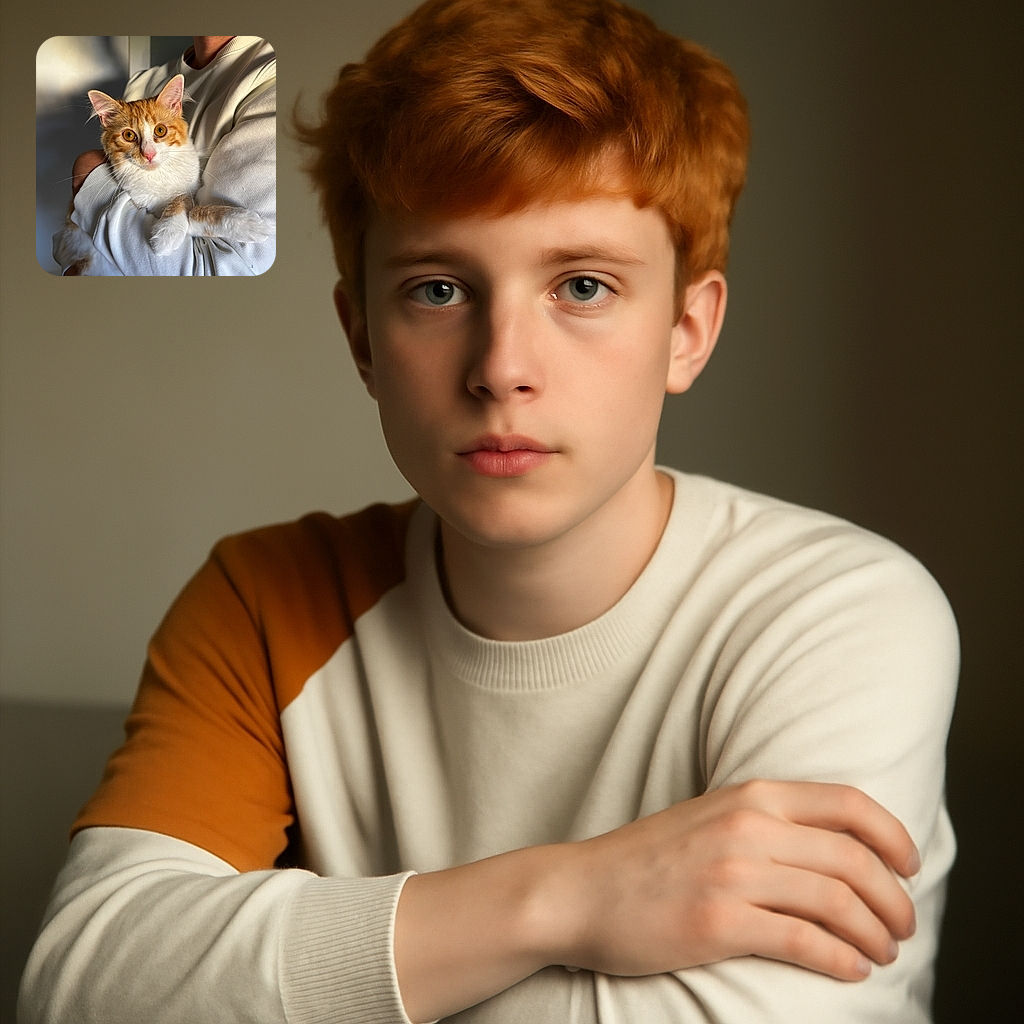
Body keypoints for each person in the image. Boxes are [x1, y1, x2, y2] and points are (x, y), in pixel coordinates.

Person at [19, 1, 958, 1021]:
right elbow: (89, 986)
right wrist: (571, 898)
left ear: (686, 331)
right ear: (362, 338)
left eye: (584, 285)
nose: (503, 368)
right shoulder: (263, 601)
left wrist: (323, 972)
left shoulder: (839, 615)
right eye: (436, 290)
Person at [55, 35, 276, 276]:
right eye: (130, 136)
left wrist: (88, 171)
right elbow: (66, 245)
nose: (147, 152)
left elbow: (224, 269)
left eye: (160, 131)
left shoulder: (270, 71)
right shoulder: (145, 80)